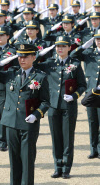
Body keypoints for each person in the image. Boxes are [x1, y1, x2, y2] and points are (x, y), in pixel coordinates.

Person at [0, 43, 50, 185]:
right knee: (14, 161)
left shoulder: (40, 77)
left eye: (25, 56)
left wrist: (36, 115)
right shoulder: (11, 73)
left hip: (28, 124)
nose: (22, 59)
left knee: (27, 161)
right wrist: (3, 62)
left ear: (34, 57)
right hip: (10, 122)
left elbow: (45, 102)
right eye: (19, 56)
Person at [35, 36, 86, 179]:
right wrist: (43, 52)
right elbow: (34, 63)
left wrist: (74, 96)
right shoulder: (49, 63)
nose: (60, 49)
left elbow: (82, 85)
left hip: (68, 107)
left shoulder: (75, 64)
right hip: (53, 106)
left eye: (63, 46)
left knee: (68, 139)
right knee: (55, 138)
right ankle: (57, 166)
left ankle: (66, 168)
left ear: (69, 48)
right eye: (57, 46)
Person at [70, 33, 100, 159]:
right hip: (91, 92)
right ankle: (93, 149)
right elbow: (72, 55)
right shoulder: (89, 53)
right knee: (92, 121)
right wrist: (83, 46)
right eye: (97, 39)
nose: (99, 41)